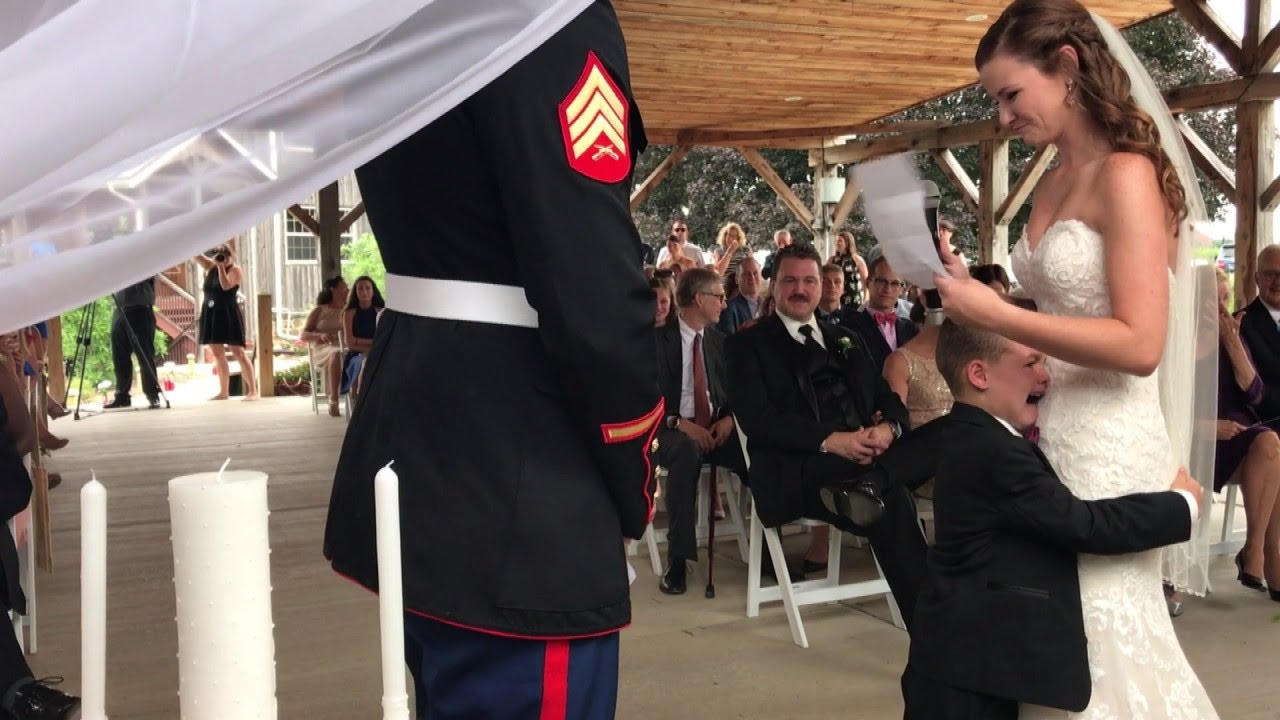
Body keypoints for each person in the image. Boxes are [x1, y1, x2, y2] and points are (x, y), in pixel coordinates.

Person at [323, 2, 661, 717]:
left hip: (422, 434)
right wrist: (633, 469)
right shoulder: (550, 18)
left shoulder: (394, 19)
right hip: (523, 471)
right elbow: (595, 293)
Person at [934, 1, 1219, 716]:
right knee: (1051, 634)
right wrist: (981, 298)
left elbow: (1141, 344)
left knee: (1098, 636)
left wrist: (996, 315)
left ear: (1065, 68)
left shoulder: (1126, 173)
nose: (1002, 117)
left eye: (1009, 95)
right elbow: (1058, 316)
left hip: (1113, 442)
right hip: (1054, 435)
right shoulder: (1055, 177)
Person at [903, 320, 1203, 720]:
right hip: (967, 673)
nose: (1046, 375)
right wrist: (1180, 505)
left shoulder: (970, 432)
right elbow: (1082, 524)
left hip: (961, 655)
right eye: (1031, 362)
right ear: (979, 374)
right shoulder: (997, 453)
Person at [726, 244, 927, 622]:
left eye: (809, 281)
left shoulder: (845, 337)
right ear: (774, 285)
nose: (800, 289)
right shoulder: (747, 344)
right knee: (893, 499)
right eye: (790, 280)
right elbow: (759, 419)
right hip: (801, 468)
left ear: (822, 286)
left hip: (867, 458)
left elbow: (888, 397)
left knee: (956, 436)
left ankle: (871, 483)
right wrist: (835, 442)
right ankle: (932, 628)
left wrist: (889, 427)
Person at [654, 268, 746, 594]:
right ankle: (678, 559)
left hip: (715, 429)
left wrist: (730, 419)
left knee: (757, 449)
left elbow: (740, 394)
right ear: (699, 299)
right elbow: (645, 400)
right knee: (684, 450)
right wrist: (680, 424)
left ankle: (770, 545)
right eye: (719, 297)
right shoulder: (658, 339)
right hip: (668, 429)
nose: (724, 304)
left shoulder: (722, 343)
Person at [193, 244, 258, 401]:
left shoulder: (235, 270)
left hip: (228, 313)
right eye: (219, 254)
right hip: (212, 313)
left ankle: (253, 392)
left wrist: (221, 267)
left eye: (226, 254)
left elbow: (226, 285)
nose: (223, 257)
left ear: (232, 255)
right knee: (217, 354)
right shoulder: (211, 266)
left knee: (239, 353)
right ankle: (224, 392)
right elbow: (196, 255)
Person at [104, 276, 161, 410]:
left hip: (140, 307)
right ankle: (122, 395)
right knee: (119, 355)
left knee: (144, 353)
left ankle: (152, 394)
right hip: (119, 308)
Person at [302, 276, 349, 417]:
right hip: (323, 347)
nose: (347, 289)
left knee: (354, 354)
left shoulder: (348, 310)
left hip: (345, 345)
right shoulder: (320, 310)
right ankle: (333, 400)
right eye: (343, 287)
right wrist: (320, 336)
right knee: (336, 353)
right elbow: (304, 335)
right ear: (333, 290)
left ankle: (357, 399)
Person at [341, 275, 384, 402]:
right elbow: (349, 343)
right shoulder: (349, 313)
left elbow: (382, 340)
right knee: (362, 362)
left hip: (377, 352)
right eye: (360, 289)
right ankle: (359, 398)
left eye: (367, 288)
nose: (364, 292)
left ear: (373, 291)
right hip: (355, 355)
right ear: (355, 292)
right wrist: (372, 344)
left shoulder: (380, 311)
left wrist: (359, 340)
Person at [828, 230, 867, 307]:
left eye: (840, 241)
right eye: (836, 241)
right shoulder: (832, 260)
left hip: (854, 300)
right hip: (837, 300)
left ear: (847, 242)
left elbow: (866, 281)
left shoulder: (857, 260)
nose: (837, 243)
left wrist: (865, 301)